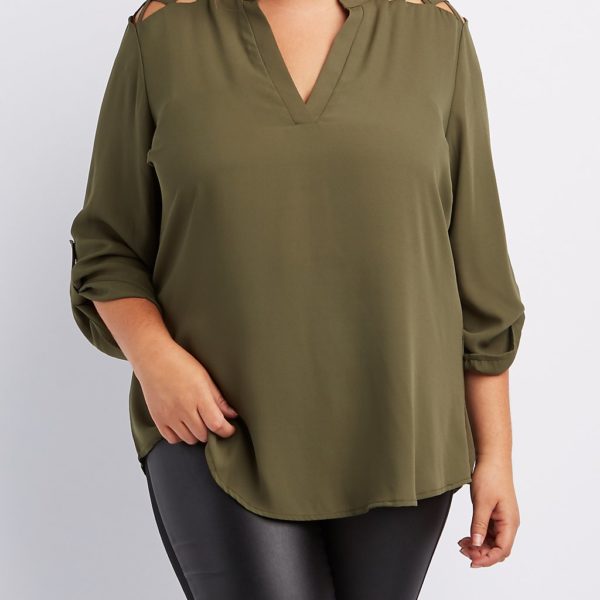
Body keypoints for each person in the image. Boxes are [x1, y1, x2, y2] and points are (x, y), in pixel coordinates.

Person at [68, 0, 526, 598]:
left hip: (399, 429)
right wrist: (155, 358)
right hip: (214, 425)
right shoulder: (164, 32)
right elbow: (107, 244)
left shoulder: (433, 32)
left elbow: (479, 269)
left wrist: (496, 456)